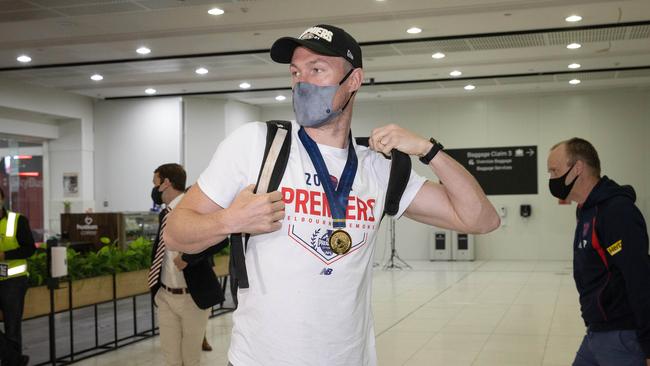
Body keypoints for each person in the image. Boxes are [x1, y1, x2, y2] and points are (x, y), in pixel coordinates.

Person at [164, 24, 499, 366]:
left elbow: (482, 219)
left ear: (353, 81)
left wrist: (429, 151)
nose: (302, 82)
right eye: (296, 72)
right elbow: (176, 232)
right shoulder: (257, 144)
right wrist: (230, 220)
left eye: (317, 70)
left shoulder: (377, 168)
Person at [547, 138, 650, 366]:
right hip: (597, 332)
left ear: (578, 168)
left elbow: (639, 277)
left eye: (554, 171)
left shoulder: (616, 211)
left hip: (622, 336)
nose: (551, 179)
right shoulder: (586, 210)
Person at [147, 164, 227, 366]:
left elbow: (221, 239)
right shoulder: (164, 213)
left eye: (155, 183)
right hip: (165, 294)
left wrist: (188, 258)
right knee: (170, 358)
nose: (154, 189)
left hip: (192, 296)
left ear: (166, 183)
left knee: (190, 359)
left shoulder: (194, 207)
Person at [0, 187, 35, 366]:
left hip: (13, 282)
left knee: (12, 327)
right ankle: (14, 360)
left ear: (3, 198)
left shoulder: (17, 220)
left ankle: (12, 363)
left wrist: (5, 256)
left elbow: (30, 249)